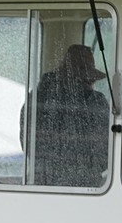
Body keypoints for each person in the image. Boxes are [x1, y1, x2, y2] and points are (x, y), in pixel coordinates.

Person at [19, 44, 111, 187]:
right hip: (85, 187)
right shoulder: (95, 102)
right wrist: (88, 171)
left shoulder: (36, 98)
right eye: (90, 79)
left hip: (41, 184)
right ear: (83, 79)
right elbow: (106, 151)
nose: (92, 83)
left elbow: (28, 145)